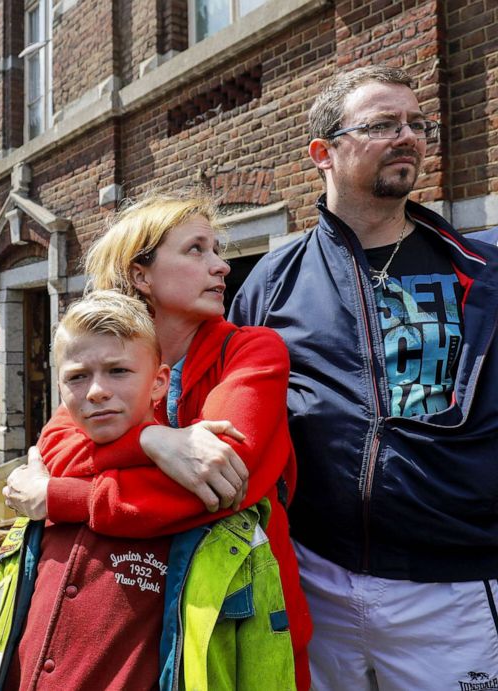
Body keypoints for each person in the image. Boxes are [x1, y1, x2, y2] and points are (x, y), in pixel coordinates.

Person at [229, 66, 498, 690]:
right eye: (382, 124)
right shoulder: (271, 282)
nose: (408, 136)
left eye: (416, 124)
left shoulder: (480, 273)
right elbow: (215, 401)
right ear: (323, 153)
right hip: (314, 575)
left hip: (451, 589)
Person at [1, 193, 311, 689]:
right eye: (196, 250)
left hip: (231, 623)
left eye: (216, 250)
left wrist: (61, 495)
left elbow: (217, 484)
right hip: (128, 627)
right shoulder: (107, 356)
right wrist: (156, 443)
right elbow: (57, 445)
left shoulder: (252, 352)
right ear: (141, 274)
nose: (222, 266)